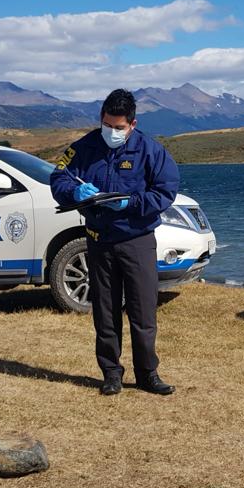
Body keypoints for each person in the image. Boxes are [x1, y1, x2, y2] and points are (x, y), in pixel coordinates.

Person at [50, 89, 179, 396]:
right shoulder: (84, 147)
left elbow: (165, 192)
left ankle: (147, 374)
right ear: (101, 118)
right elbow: (59, 177)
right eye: (107, 125)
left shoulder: (151, 151)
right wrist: (73, 192)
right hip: (100, 241)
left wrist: (130, 203)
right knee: (105, 311)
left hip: (137, 240)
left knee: (143, 311)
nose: (112, 132)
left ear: (132, 124)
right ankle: (111, 373)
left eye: (119, 127)